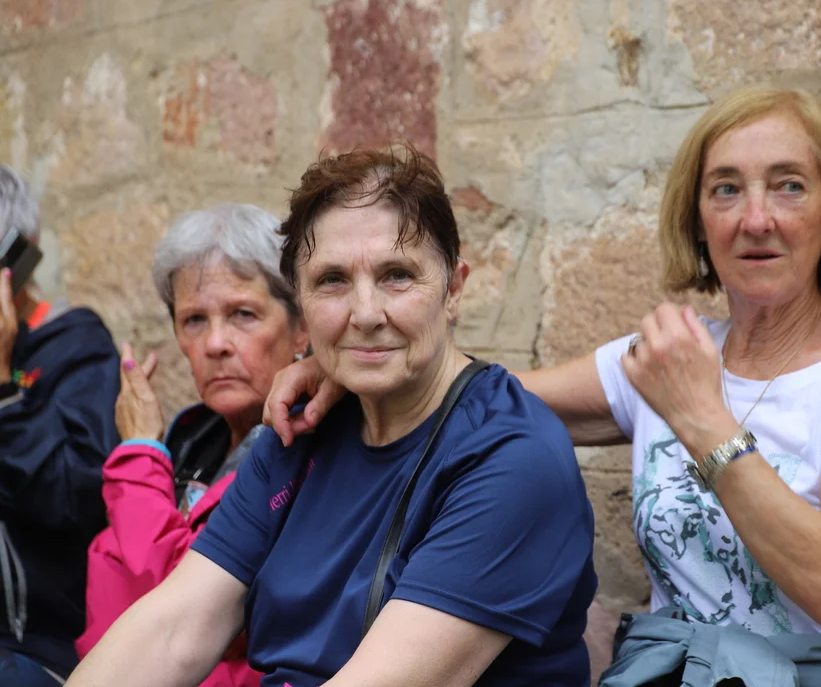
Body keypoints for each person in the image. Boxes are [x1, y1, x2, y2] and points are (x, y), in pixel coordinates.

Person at [264, 88, 821, 684]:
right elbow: (470, 398)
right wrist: (355, 364)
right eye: (726, 189)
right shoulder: (669, 354)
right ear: (697, 220)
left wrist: (701, 417)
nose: (755, 218)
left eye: (789, 186)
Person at [68, 145, 597, 687]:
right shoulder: (297, 433)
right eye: (332, 280)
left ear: (454, 289)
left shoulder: (511, 458)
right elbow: (174, 629)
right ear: (302, 301)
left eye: (397, 275)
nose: (365, 314)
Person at [75, 203, 309, 687]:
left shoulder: (309, 448)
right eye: (194, 320)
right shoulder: (190, 443)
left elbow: (191, 610)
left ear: (301, 327)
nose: (215, 343)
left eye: (243, 314)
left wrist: (138, 454)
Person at [0, 165, 121, 685]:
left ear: (17, 258)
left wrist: (4, 389)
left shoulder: (77, 346)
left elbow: (77, 497)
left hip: (36, 648)